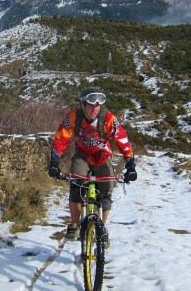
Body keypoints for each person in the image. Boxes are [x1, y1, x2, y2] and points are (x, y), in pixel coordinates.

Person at [48, 86, 137, 245]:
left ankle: (101, 228)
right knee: (76, 184)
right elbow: (61, 138)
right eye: (90, 105)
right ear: (83, 104)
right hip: (82, 155)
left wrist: (130, 165)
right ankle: (75, 225)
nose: (94, 109)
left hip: (102, 157)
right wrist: (54, 162)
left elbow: (122, 140)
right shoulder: (74, 117)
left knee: (106, 191)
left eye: (97, 105)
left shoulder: (108, 119)